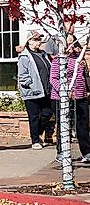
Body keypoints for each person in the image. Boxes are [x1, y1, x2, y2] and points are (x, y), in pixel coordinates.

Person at [50, 35, 90, 163]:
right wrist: (64, 91)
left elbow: (83, 76)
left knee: (82, 125)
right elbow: (53, 79)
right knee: (64, 126)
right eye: (69, 43)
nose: (71, 46)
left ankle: (87, 152)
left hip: (80, 96)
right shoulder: (59, 60)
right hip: (62, 97)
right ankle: (62, 152)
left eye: (73, 43)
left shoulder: (78, 58)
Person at [17, 30, 54, 149]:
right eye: (36, 40)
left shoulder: (43, 54)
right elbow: (22, 76)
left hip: (45, 90)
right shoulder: (25, 56)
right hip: (32, 92)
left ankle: (37, 133)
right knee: (33, 117)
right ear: (29, 41)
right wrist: (32, 85)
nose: (38, 42)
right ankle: (35, 141)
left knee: (47, 113)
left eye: (39, 40)